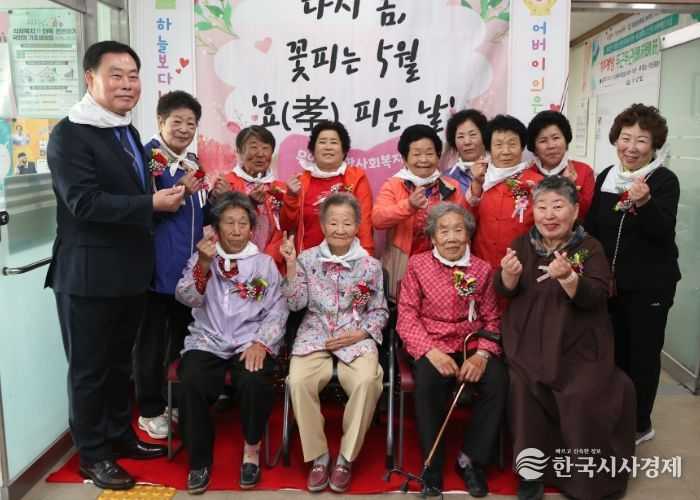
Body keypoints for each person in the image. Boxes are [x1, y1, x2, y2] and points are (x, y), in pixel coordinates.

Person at [46, 41, 184, 490]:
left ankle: (120, 435)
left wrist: (159, 197)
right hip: (88, 276)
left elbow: (128, 191)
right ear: (91, 78)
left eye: (133, 76)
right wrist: (151, 204)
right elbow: (83, 202)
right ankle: (92, 454)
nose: (127, 85)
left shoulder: (124, 130)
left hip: (128, 274)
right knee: (89, 370)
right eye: (116, 75)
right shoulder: (70, 134)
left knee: (120, 365)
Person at [495, 176, 635, 500]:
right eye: (542, 207)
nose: (549, 215)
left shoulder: (589, 247)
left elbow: (597, 295)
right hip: (527, 342)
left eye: (558, 206)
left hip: (580, 345)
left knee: (585, 393)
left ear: (574, 211)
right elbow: (504, 290)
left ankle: (586, 479)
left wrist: (570, 278)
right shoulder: (521, 244)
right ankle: (530, 473)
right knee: (522, 386)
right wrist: (508, 276)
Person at [175, 192, 288, 494]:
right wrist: (203, 264)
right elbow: (186, 297)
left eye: (243, 223)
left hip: (249, 339)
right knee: (192, 379)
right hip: (207, 338)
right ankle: (199, 461)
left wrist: (262, 343)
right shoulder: (204, 257)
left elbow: (278, 308)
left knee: (254, 378)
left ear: (252, 229)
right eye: (229, 223)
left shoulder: (264, 264)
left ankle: (251, 450)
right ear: (216, 227)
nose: (236, 230)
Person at [280, 192, 389, 494]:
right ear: (323, 225)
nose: (340, 229)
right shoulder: (306, 259)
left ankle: (345, 457)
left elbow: (379, 311)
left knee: (368, 380)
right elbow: (295, 303)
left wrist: (362, 332)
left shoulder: (370, 266)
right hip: (315, 333)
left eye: (347, 223)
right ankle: (319, 456)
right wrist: (291, 266)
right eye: (333, 223)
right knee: (298, 380)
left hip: (355, 335)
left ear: (357, 226)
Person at [585, 103, 680, 446]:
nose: (632, 147)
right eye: (626, 138)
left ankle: (640, 423)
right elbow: (592, 229)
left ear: (654, 146)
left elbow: (662, 233)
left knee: (643, 356)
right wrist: (579, 260)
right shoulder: (607, 177)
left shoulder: (663, 180)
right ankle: (618, 413)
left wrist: (645, 203)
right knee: (617, 353)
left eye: (642, 140)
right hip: (611, 286)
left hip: (650, 287)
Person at [397, 203, 506, 497]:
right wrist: (430, 352)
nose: (452, 237)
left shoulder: (482, 269)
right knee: (428, 381)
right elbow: (406, 316)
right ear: (433, 237)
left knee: (497, 381)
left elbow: (492, 319)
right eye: (444, 231)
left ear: (468, 235)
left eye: (458, 230)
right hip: (431, 343)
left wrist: (481, 355)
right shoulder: (418, 265)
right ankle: (432, 467)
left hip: (471, 344)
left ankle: (471, 459)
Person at [133, 90, 206, 440]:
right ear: (160, 121)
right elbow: (145, 207)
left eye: (190, 123)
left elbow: (198, 214)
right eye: (177, 121)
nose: (184, 129)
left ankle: (172, 400)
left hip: (186, 272)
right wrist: (181, 190)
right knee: (151, 343)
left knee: (181, 338)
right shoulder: (149, 159)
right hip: (154, 269)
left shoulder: (192, 162)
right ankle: (149, 409)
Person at [372, 124, 466, 299]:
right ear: (404, 158)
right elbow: (378, 219)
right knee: (404, 308)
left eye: (429, 153)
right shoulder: (393, 185)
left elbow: (465, 228)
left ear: (438, 155)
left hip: (443, 266)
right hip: (403, 266)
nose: (423, 159)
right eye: (416, 154)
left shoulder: (452, 187)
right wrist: (409, 205)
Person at [280, 120, 374, 258]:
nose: (328, 147)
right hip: (308, 260)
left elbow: (364, 223)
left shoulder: (356, 178)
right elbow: (286, 226)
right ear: (313, 150)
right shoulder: (300, 181)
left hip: (348, 260)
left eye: (334, 142)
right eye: (322, 142)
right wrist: (291, 196)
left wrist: (366, 257)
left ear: (344, 150)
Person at [466, 114, 543, 270]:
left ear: (522, 147)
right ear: (489, 149)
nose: (506, 151)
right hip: (482, 266)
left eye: (512, 144)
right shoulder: (481, 178)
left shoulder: (537, 183)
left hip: (521, 267)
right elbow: (467, 221)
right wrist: (476, 184)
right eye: (498, 145)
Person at [526, 110, 595, 219]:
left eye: (556, 138)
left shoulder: (584, 171)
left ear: (566, 140)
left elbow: (585, 213)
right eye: (543, 141)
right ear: (534, 148)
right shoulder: (527, 175)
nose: (551, 146)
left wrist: (569, 186)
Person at [445, 109, 489, 194]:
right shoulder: (446, 178)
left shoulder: (498, 170)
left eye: (473, 135)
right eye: (460, 137)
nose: (467, 142)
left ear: (484, 136)